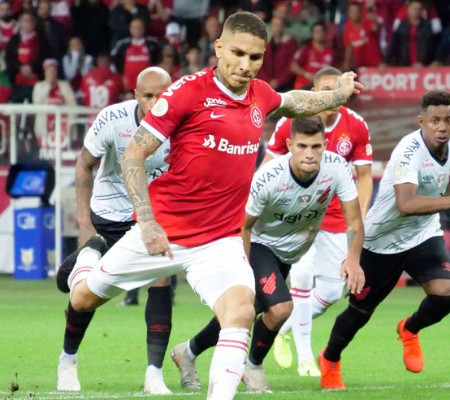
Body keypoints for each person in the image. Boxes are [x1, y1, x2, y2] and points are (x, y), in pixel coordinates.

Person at [66, 11, 362, 400]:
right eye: (237, 53)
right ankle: (88, 261)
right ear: (219, 47)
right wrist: (149, 223)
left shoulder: (259, 94)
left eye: (255, 57)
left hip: (219, 239)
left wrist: (337, 95)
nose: (246, 65)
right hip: (165, 232)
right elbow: (133, 153)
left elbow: (294, 101)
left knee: (240, 311)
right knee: (84, 297)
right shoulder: (186, 92)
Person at [171, 116, 365, 393]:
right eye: (302, 146)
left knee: (246, 312)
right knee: (281, 308)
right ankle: (253, 367)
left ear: (325, 144)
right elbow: (243, 226)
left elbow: (354, 221)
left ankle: (187, 352)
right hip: (260, 245)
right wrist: (242, 270)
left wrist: (353, 259)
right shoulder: (269, 177)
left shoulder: (336, 169)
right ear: (289, 145)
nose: (309, 154)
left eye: (316, 146)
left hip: (291, 252)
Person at [319, 90, 450, 390]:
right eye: (435, 120)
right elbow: (406, 203)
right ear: (421, 121)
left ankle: (409, 328)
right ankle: (329, 358)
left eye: (448, 120)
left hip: (422, 234)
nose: (442, 127)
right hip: (381, 240)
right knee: (359, 313)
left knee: (446, 292)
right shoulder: (409, 150)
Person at [56, 67, 174, 395]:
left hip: (152, 218)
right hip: (108, 218)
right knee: (84, 296)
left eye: (162, 95)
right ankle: (68, 360)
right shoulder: (112, 119)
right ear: (135, 95)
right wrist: (84, 223)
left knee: (162, 280)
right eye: (147, 96)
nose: (155, 102)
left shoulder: (183, 124)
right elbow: (84, 164)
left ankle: (154, 374)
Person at [268, 67, 373, 376]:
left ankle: (284, 328)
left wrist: (360, 215)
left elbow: (364, 176)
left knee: (330, 292)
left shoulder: (356, 125)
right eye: (326, 90)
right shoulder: (291, 122)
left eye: (338, 89)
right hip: (299, 213)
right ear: (313, 93)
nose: (333, 96)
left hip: (336, 216)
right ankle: (305, 359)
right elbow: (268, 167)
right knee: (301, 279)